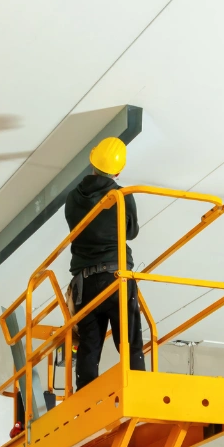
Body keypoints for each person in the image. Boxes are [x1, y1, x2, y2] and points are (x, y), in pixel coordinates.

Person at [64, 136, 147, 390]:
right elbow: (131, 232)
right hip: (116, 276)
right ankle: (139, 387)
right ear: (118, 171)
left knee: (90, 343)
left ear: (92, 161)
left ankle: (85, 398)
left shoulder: (72, 199)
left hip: (84, 283)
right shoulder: (121, 196)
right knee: (129, 338)